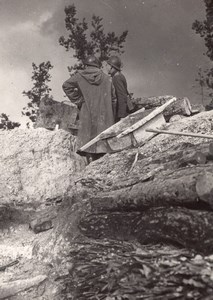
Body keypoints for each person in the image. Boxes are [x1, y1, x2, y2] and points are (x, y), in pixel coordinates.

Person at [62, 55, 116, 163]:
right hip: (104, 116)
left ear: (86, 65)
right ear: (97, 65)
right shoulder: (108, 79)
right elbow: (114, 100)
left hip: (87, 113)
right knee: (103, 146)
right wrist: (111, 114)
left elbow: (66, 85)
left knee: (87, 143)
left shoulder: (79, 76)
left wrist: (79, 100)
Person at [106, 55, 134, 122]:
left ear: (111, 67)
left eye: (107, 65)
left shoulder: (117, 77)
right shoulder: (117, 76)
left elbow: (122, 96)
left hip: (120, 113)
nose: (106, 67)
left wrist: (122, 115)